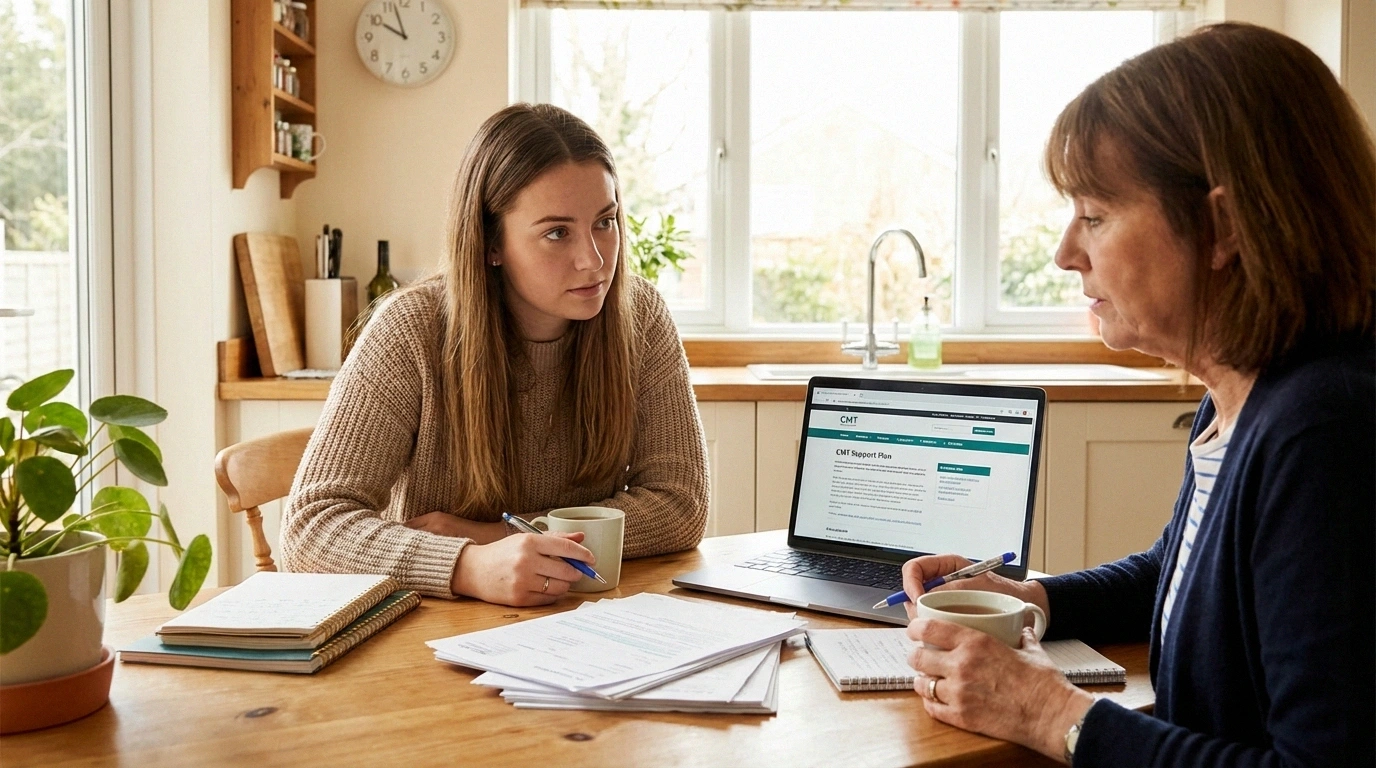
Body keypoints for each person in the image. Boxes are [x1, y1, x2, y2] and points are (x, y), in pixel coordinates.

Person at [901, 23, 1374, 766]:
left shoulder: (1325, 431)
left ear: (1221, 226)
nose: (1065, 253)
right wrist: (1036, 601)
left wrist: (1050, 712)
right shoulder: (1240, 402)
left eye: (1094, 215)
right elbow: (1183, 573)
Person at [281, 104, 709, 607]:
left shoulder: (641, 317)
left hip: (586, 622)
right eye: (557, 232)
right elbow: (310, 528)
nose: (594, 260)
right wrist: (467, 566)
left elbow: (680, 505)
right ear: (491, 243)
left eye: (605, 221)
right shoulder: (408, 330)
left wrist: (494, 537)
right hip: (432, 634)